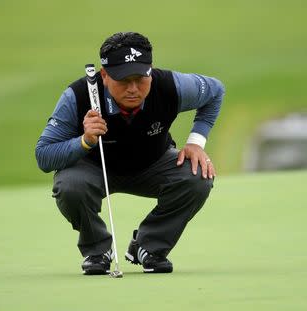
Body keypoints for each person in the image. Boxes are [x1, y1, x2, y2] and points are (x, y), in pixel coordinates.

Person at [35, 31, 225, 275]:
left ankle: (148, 246)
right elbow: (44, 155)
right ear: (104, 75)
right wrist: (84, 141)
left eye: (140, 78)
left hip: (153, 163)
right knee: (70, 186)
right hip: (94, 168)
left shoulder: (170, 86)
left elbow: (216, 91)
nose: (133, 88)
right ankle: (97, 249)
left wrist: (196, 142)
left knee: (198, 177)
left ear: (151, 70)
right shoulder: (78, 96)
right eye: (123, 80)